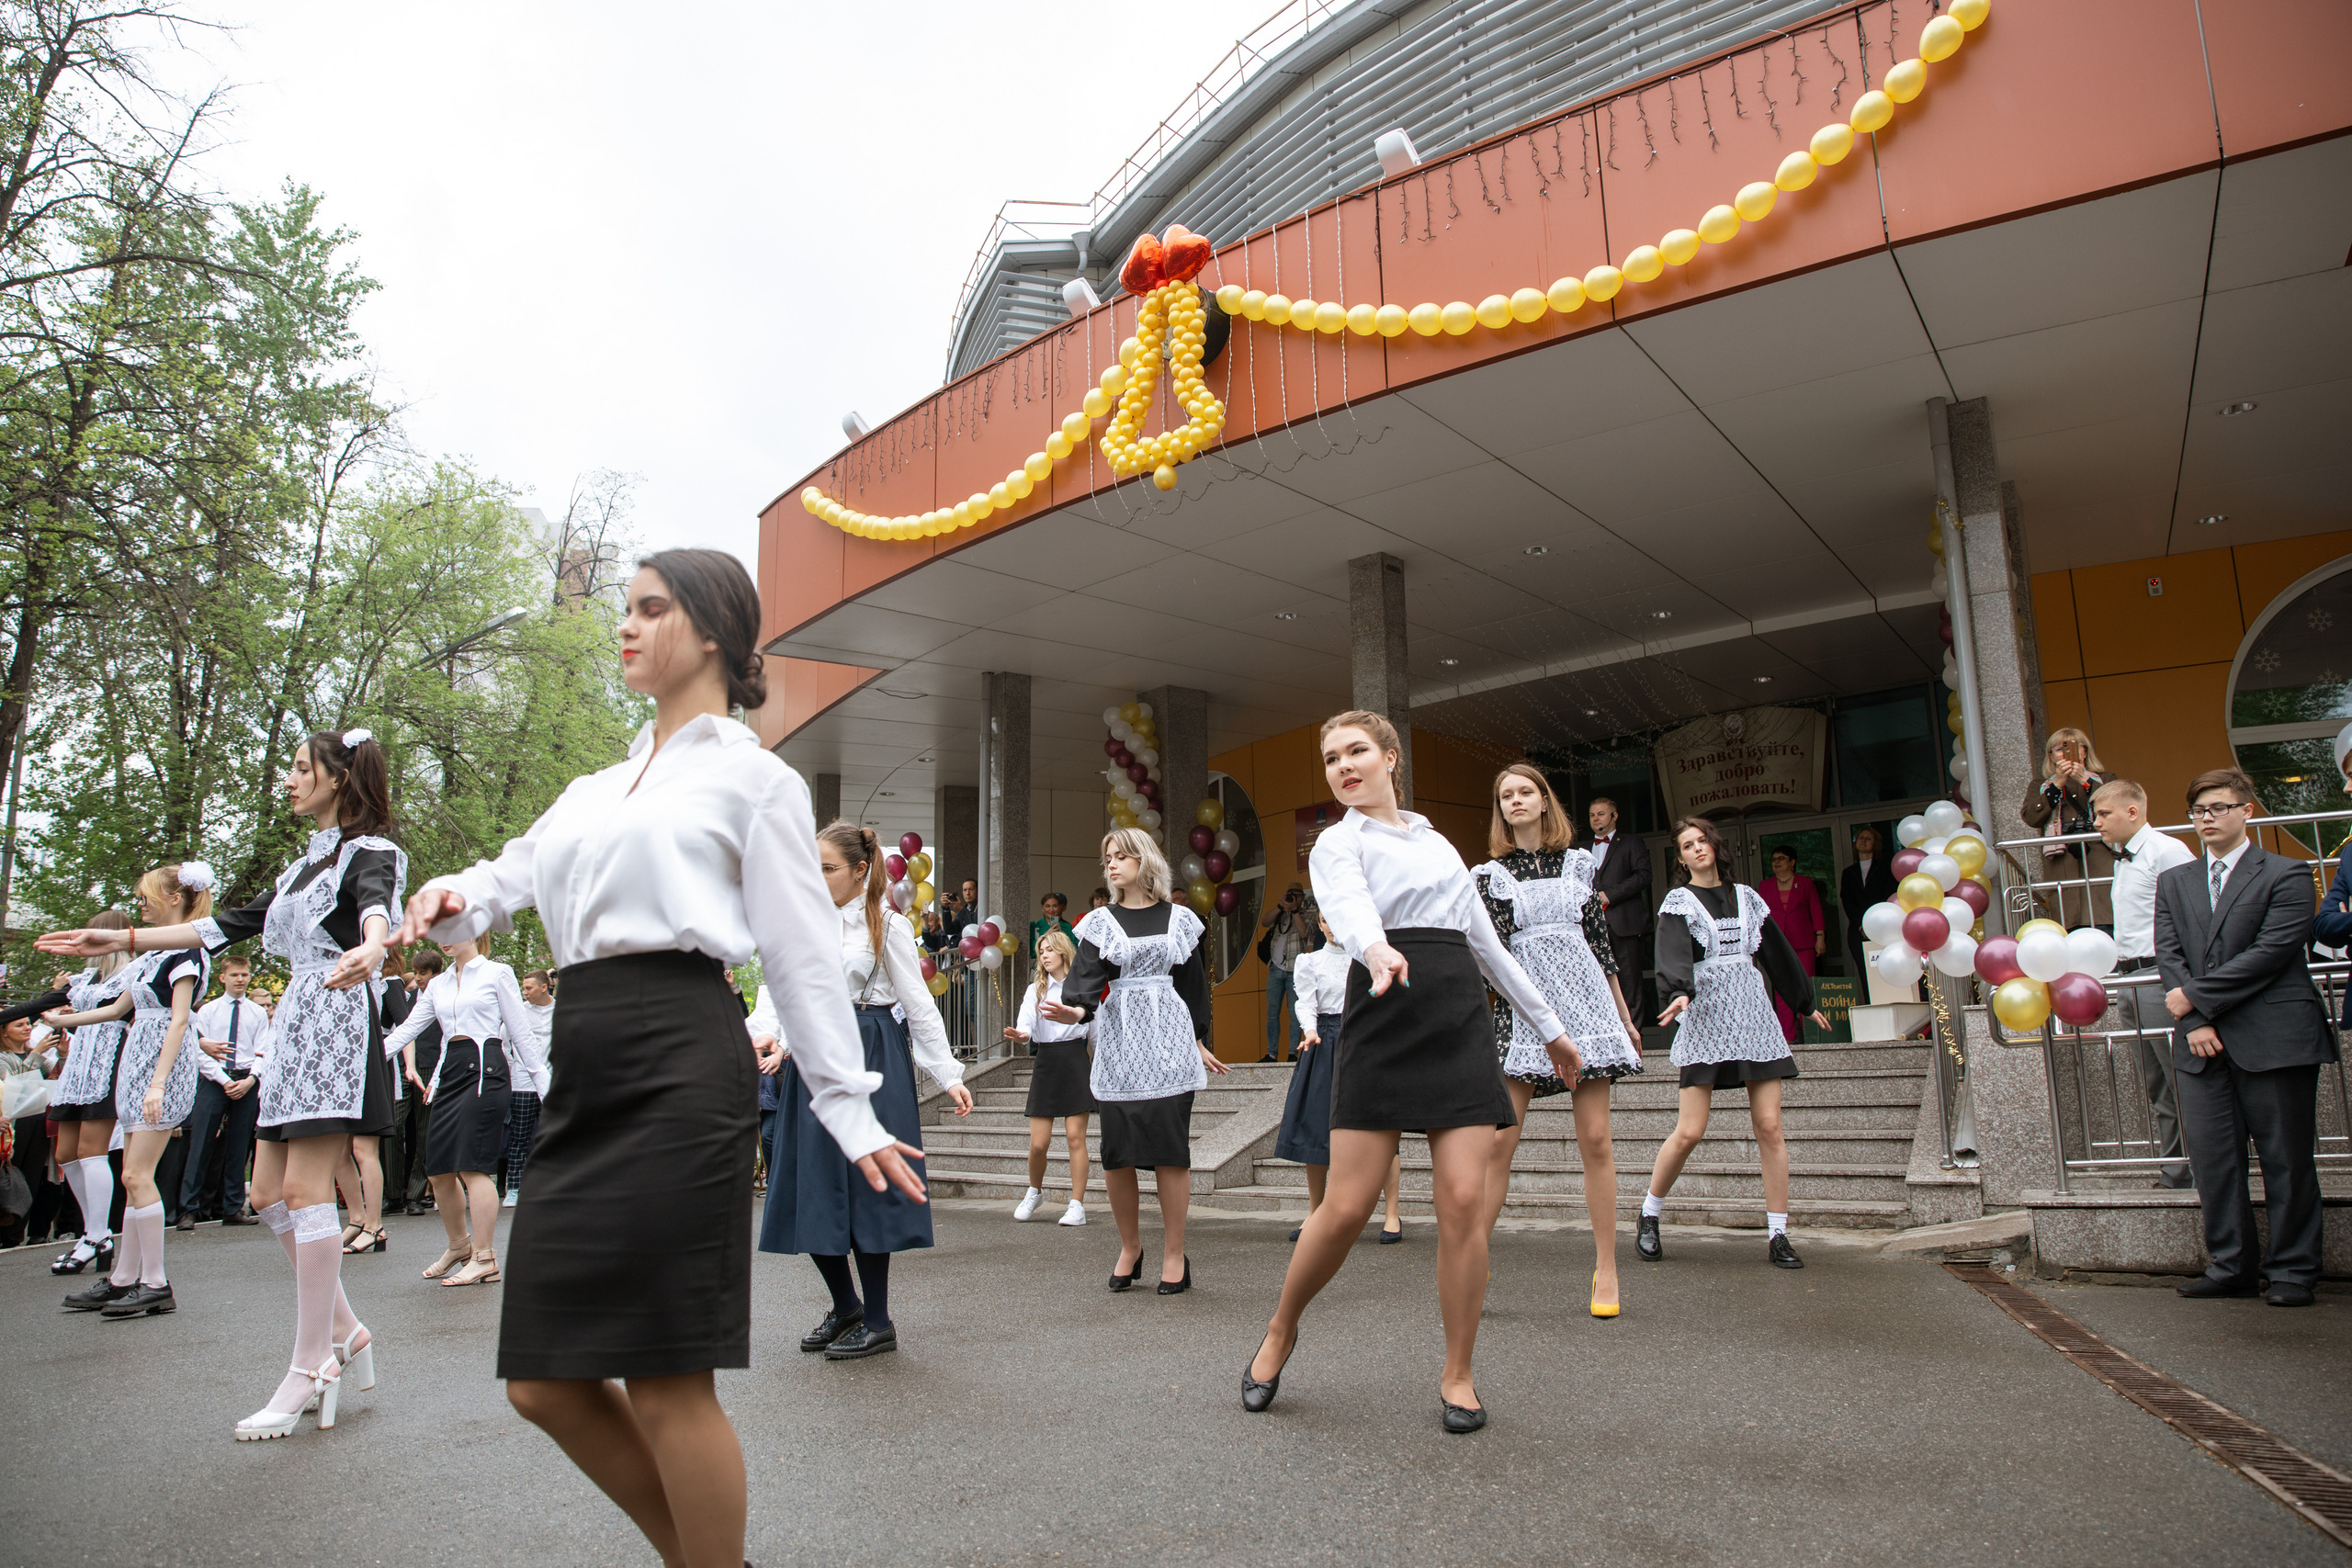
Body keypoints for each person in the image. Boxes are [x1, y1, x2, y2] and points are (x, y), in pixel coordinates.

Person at [392, 548, 921, 1568]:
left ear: (714, 630)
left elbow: (804, 959)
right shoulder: (595, 785)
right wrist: (448, 897)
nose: (625, 626)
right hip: (582, 1066)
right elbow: (505, 878)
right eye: (624, 610)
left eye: (650, 609)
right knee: (542, 1381)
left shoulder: (756, 779)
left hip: (681, 1054)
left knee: (669, 1379)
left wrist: (848, 1109)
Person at [47, 731, 405, 1438]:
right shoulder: (301, 866)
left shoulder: (372, 853)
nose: (292, 779)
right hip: (296, 1023)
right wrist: (122, 942)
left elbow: (376, 908)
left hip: (335, 1020)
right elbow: (226, 924)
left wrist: (372, 944)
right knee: (267, 1195)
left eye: (303, 768)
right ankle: (347, 1328)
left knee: (305, 1193)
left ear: (339, 778)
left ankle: (311, 1364)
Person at [1243, 713, 1578, 1434]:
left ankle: (1458, 1372)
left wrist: (1550, 1027)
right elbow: (1348, 906)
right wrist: (1375, 950)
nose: (1343, 765)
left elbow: (1485, 941)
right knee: (1346, 1205)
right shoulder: (1337, 842)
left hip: (1455, 1008)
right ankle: (1281, 1326)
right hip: (1384, 1006)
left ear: (1390, 757)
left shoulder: (1436, 843)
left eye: (1357, 751)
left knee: (1464, 1197)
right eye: (1331, 757)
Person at [762, 820, 974, 1360]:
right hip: (812, 1058)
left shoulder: (889, 925)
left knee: (868, 1188)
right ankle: (846, 1304)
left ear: (861, 870)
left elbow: (920, 1006)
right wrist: (777, 1040)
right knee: (808, 1184)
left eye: (827, 867)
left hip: (869, 1049)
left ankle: (878, 1320)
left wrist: (948, 1075)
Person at [2154, 766, 2337, 1309]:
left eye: (2218, 808)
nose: (2206, 818)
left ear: (2246, 811)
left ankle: (2293, 1271)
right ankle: (2231, 1264)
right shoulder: (2176, 881)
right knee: (2215, 1161)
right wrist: (2194, 1020)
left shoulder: (2287, 873)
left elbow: (2272, 953)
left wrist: (2197, 998)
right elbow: (2171, 957)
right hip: (2202, 1042)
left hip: (2275, 1037)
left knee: (2287, 1159)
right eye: (2198, 810)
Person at [1474, 763, 1644, 1317]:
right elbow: (1489, 960)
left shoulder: (1580, 864)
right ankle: (1474, 1262)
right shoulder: (1489, 875)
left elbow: (1600, 943)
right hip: (1524, 1013)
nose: (1516, 801)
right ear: (1499, 809)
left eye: (1526, 792)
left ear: (1545, 802)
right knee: (1500, 1144)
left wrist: (1624, 1016)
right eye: (1506, 796)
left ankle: (1607, 1268)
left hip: (1588, 1005)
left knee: (1596, 1141)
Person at [1040, 827, 1228, 1294]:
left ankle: (1173, 1254)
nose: (1112, 864)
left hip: (1170, 1044)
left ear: (1144, 861)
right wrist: (1076, 1010)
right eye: (1107, 857)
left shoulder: (1181, 919)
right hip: (1120, 1043)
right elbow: (1084, 984)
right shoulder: (1099, 922)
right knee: (1117, 1156)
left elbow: (1193, 989)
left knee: (1170, 1152)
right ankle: (1130, 1246)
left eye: (1121, 856)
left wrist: (1200, 1040)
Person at [1636, 817, 1827, 1272]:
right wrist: (1678, 991)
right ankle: (1649, 1213)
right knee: (1690, 1131)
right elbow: (1673, 951)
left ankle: (1778, 1233)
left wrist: (1803, 1003)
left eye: (1702, 840)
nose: (1697, 848)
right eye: (1687, 845)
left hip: (1753, 1017)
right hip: (1706, 1018)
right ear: (1680, 858)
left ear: (1713, 845)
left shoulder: (1749, 898)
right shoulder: (1678, 902)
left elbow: (1776, 953)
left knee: (1770, 1126)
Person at [42, 864, 213, 1322]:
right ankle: (124, 1277)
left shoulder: (188, 953)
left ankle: (154, 1282)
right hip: (138, 1061)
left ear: (175, 899)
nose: (140, 905)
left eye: (147, 897)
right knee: (133, 1177)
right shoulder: (152, 955)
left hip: (163, 1065)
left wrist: (159, 1082)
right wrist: (62, 1021)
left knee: (137, 1176)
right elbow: (118, 1008)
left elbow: (180, 1019)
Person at [384, 934, 538, 1285]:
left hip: (486, 1070)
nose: (443, 938)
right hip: (452, 1070)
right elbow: (409, 1029)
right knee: (437, 1169)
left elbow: (521, 1034)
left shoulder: (497, 973)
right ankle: (459, 1246)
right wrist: (366, 1057)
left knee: (472, 1167)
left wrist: (546, 1088)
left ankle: (485, 1257)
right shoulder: (437, 984)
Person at [2091, 779, 2198, 1189]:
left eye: (2104, 814)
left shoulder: (2167, 851)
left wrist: (2179, 982)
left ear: (2132, 812)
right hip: (2130, 978)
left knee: (2182, 1077)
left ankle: (2208, 1168)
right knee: (2157, 1083)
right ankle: (2176, 1171)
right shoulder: (2124, 859)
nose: (2096, 823)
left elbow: (2192, 917)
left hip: (2160, 976)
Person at [31, 909, 132, 1276]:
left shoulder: (131, 974)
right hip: (76, 1067)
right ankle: (99, 1233)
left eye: (92, 935)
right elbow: (38, 1005)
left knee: (92, 1152)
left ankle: (94, 1235)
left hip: (107, 1064)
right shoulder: (85, 977)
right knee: (66, 1153)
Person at [1005, 928, 1092, 1226]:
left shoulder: (1082, 988)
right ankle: (1035, 1191)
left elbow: (1097, 1033)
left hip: (1075, 1060)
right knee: (1038, 1144)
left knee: (1074, 1138)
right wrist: (1022, 1035)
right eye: (1040, 951)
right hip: (1046, 1061)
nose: (1043, 955)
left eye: (1048, 950)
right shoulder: (1036, 990)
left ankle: (1077, 1204)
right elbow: (1026, 1021)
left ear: (1063, 952)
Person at [182, 954, 269, 1229]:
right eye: (234, 975)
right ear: (223, 978)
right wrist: (223, 1080)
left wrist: (251, 1079)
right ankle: (189, 1209)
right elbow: (200, 1050)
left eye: (244, 974)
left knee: (239, 1145)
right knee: (202, 1143)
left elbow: (263, 1051)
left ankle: (233, 1208)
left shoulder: (257, 1013)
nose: (240, 979)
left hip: (245, 1080)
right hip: (215, 1079)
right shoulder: (208, 1012)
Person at [1276, 911, 1348, 1240]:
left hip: (1361, 1040)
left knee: (1376, 1126)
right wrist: (1309, 1030)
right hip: (1323, 1039)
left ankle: (1391, 1213)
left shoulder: (1367, 957)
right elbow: (1306, 1003)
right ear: (1319, 925)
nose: (1331, 925)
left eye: (1338, 917)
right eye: (1325, 919)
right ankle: (1316, 1210)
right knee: (1316, 1124)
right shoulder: (1311, 961)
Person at [2022, 727, 2113, 928]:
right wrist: (2057, 784)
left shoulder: (2105, 779)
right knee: (2069, 925)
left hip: (2099, 858)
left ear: (2085, 752)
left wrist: (2085, 781)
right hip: (2062, 863)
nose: (2065, 753)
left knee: (2104, 923)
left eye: (2072, 747)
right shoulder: (2040, 784)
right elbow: (2030, 817)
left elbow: (2116, 807)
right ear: (2051, 756)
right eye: (2059, 748)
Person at [387, 949, 443, 1214]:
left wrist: (437, 1077)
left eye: (424, 973)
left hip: (430, 1068)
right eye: (416, 972)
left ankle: (415, 1196)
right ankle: (392, 1193)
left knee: (423, 1133)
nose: (418, 978)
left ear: (435, 974)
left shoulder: (444, 1000)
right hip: (401, 1068)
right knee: (393, 1128)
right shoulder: (405, 999)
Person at [1586, 797, 1653, 1015]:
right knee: (1596, 985)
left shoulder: (1632, 843)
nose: (1596, 819)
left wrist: (1610, 895)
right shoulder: (1580, 849)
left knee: (1630, 984)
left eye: (1601, 814)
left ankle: (1635, 1042)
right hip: (1591, 928)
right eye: (1592, 815)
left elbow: (1643, 876)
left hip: (1625, 924)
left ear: (1614, 816)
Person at [1756, 846, 1826, 1044]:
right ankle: (1788, 1037)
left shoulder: (1805, 883)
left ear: (1792, 862)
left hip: (1804, 942)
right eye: (1773, 859)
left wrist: (1820, 936)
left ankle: (1812, 1033)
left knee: (1807, 987)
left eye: (1781, 858)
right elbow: (1760, 915)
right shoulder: (1765, 886)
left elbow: (1816, 910)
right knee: (1782, 989)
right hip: (1778, 944)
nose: (1776, 862)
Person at [503, 969, 556, 1206]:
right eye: (523, 988)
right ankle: (514, 1188)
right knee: (519, 1138)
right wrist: (514, 1069)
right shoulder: (519, 1012)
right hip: (522, 1083)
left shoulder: (560, 1010)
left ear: (544, 987)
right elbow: (504, 1042)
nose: (525, 993)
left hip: (552, 1084)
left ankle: (551, 1187)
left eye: (528, 988)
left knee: (551, 1136)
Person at [1259, 882, 1312, 1062]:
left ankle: (1292, 1054)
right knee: (1272, 1013)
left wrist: (1295, 910)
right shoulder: (1280, 913)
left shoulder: (1307, 915)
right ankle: (1271, 1054)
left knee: (1294, 1012)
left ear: (1302, 898)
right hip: (1275, 969)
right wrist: (1281, 907)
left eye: (1295, 896)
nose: (1292, 898)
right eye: (1289, 895)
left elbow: (1305, 933)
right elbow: (1264, 922)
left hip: (1295, 971)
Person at [1838, 826, 1898, 973]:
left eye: (1868, 838)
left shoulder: (1885, 869)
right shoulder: (1848, 873)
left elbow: (1888, 897)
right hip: (1857, 932)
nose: (1863, 840)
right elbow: (1847, 900)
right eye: (1860, 838)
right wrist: (1862, 924)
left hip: (1882, 929)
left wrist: (1873, 925)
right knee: (1865, 973)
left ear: (1875, 844)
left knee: (1885, 972)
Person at [1029, 894, 1074, 964]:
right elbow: (1031, 952)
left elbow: (1075, 951)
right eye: (1047, 906)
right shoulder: (1034, 926)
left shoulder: (1067, 927)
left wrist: (1065, 939)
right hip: (1040, 967)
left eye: (1055, 906)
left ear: (1059, 907)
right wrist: (1044, 936)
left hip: (1062, 967)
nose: (1051, 909)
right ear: (1042, 908)